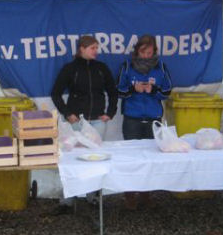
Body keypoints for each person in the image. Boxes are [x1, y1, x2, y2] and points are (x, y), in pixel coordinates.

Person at [51, 35, 118, 212]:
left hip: (97, 122)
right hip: (76, 123)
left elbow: (113, 92)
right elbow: (56, 93)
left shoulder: (102, 68)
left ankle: (93, 197)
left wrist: (110, 113)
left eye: (97, 48)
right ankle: (67, 200)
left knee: (95, 159)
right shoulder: (70, 69)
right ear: (82, 48)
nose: (96, 51)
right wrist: (68, 114)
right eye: (93, 48)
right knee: (70, 159)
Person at [117, 34, 172, 209]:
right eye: (143, 52)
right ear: (137, 51)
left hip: (153, 118)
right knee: (131, 158)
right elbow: (119, 90)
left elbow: (167, 91)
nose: (146, 55)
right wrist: (133, 89)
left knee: (151, 157)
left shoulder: (161, 67)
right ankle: (129, 195)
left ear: (154, 51)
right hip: (132, 118)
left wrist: (152, 89)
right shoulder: (127, 66)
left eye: (149, 52)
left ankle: (146, 194)